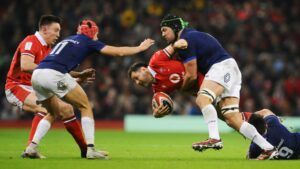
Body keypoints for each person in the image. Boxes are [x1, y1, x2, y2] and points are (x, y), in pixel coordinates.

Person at [24, 19, 154, 159]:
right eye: (96, 34)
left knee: (52, 112)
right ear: (92, 32)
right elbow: (118, 52)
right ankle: (90, 149)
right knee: (85, 106)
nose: (97, 37)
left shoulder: (68, 39)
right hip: (54, 74)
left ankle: (32, 147)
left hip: (37, 75)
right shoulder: (88, 41)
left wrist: (78, 76)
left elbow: (56, 63)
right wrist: (139, 48)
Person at [158, 14, 279, 160]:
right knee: (232, 119)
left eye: (165, 30)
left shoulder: (184, 41)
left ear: (175, 28)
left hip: (220, 68)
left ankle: (214, 138)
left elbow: (191, 75)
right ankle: (269, 149)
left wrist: (180, 89)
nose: (162, 34)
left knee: (202, 99)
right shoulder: (193, 35)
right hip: (230, 68)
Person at [4, 15, 88, 158]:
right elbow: (26, 65)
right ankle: (31, 148)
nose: (58, 35)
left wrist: (78, 75)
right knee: (45, 109)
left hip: (36, 87)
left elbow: (57, 70)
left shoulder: (49, 49)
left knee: (67, 109)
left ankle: (86, 150)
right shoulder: (30, 41)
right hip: (17, 86)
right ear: (44, 29)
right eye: (56, 30)